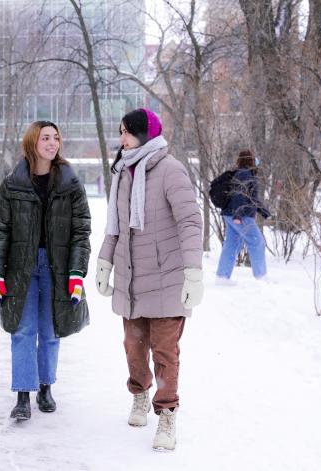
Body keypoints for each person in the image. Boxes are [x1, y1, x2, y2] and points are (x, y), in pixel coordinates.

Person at [93, 108, 203, 452]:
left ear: (145, 135)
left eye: (127, 132)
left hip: (168, 278)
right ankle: (139, 394)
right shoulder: (124, 171)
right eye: (121, 131)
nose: (122, 139)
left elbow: (189, 221)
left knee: (165, 351)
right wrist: (104, 263)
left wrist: (193, 272)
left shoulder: (170, 170)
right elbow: (116, 225)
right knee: (134, 347)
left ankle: (167, 413)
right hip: (132, 280)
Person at [0, 121, 91, 422]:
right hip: (21, 267)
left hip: (57, 268)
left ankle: (45, 388)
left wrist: (76, 272)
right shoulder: (13, 183)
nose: (52, 143)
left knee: (50, 331)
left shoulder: (70, 183)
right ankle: (22, 395)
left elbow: (81, 231)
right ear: (33, 142)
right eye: (45, 137)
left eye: (56, 137)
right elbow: (1, 231)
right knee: (22, 329)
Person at [215, 150, 270, 282]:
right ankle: (261, 277)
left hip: (231, 214)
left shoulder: (241, 173)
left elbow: (251, 198)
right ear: (250, 160)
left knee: (232, 245)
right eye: (253, 158)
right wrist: (238, 215)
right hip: (241, 215)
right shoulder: (245, 174)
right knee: (257, 242)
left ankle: (222, 277)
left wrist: (265, 213)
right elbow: (239, 194)